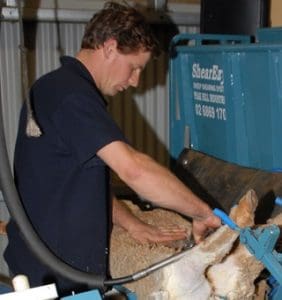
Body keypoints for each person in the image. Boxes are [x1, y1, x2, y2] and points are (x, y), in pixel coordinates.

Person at [4, 1, 220, 296]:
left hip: (56, 268)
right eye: (134, 68)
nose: (135, 82)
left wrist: (132, 223)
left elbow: (85, 182)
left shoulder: (62, 90)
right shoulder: (70, 96)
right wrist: (201, 212)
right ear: (109, 47)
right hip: (50, 279)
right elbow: (133, 169)